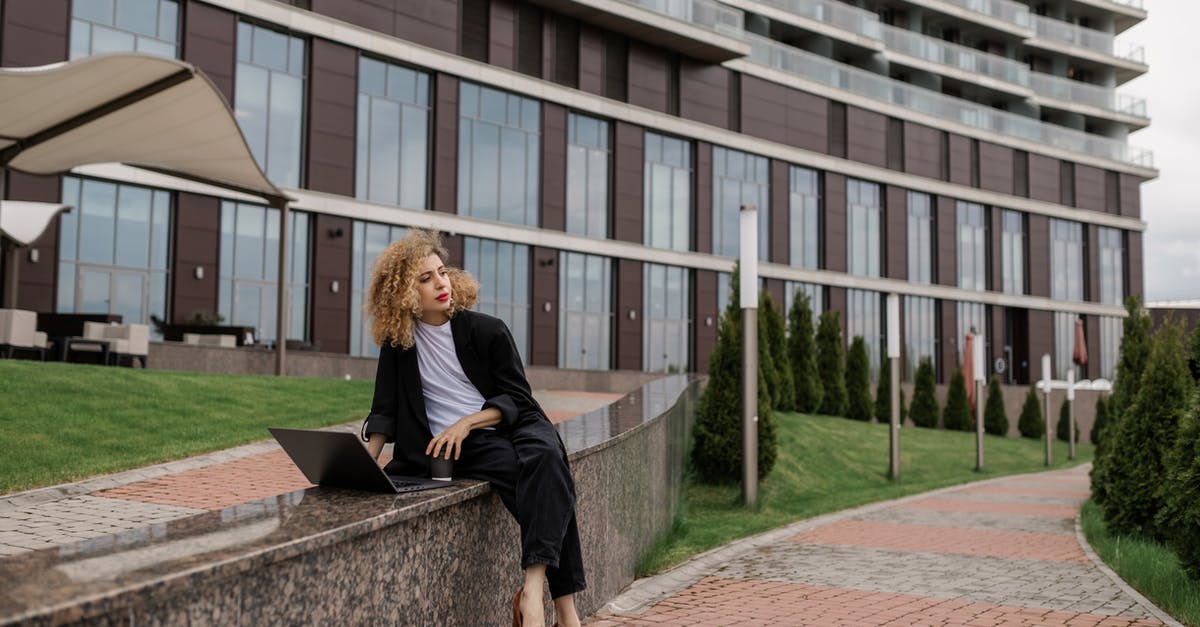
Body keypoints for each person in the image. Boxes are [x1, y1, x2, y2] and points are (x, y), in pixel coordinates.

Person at [360, 229, 585, 627]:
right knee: (548, 481)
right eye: (425, 278)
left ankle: (535, 594)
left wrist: (468, 420)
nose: (440, 284)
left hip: (510, 420)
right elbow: (384, 412)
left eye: (442, 272)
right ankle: (565, 612)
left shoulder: (487, 329)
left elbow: (517, 397)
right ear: (404, 292)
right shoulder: (399, 345)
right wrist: (363, 464)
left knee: (547, 456)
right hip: (457, 445)